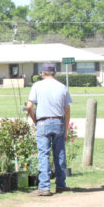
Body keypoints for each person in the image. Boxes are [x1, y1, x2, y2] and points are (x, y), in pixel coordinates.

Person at [26, 62, 72, 196]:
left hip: (43, 122)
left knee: (43, 154)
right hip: (59, 121)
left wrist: (35, 120)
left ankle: (44, 187)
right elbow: (67, 110)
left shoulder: (37, 86)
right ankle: (61, 185)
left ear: (42, 73)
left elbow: (29, 106)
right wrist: (66, 127)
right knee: (60, 154)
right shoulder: (62, 87)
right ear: (55, 73)